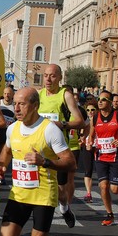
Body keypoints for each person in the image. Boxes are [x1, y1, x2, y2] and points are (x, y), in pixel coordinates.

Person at [0, 87, 76, 236]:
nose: (17, 108)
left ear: (35, 105)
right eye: (16, 104)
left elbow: (71, 163)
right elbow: (7, 150)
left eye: (22, 104)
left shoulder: (50, 130)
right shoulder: (13, 128)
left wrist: (45, 162)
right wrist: (1, 165)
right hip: (19, 193)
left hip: (42, 194)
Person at [37, 64, 84, 227]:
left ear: (59, 78)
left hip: (59, 149)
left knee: (61, 191)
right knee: (40, 187)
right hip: (40, 149)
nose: (48, 79)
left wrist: (60, 124)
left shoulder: (66, 95)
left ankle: (64, 209)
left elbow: (79, 122)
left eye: (52, 76)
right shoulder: (38, 95)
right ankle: (41, 222)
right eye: (45, 75)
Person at [87, 90, 118, 226]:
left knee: (113, 188)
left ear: (110, 103)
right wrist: (90, 143)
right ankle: (109, 214)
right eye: (99, 99)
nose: (100, 102)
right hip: (100, 156)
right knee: (103, 186)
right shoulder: (95, 118)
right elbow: (91, 136)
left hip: (115, 157)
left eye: (104, 100)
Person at [80, 99, 98, 202]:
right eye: (88, 110)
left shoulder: (100, 120)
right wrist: (82, 139)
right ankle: (89, 193)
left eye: (92, 109)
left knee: (100, 170)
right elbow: (82, 134)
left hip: (99, 147)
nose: (90, 112)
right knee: (88, 170)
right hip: (87, 146)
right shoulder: (85, 121)